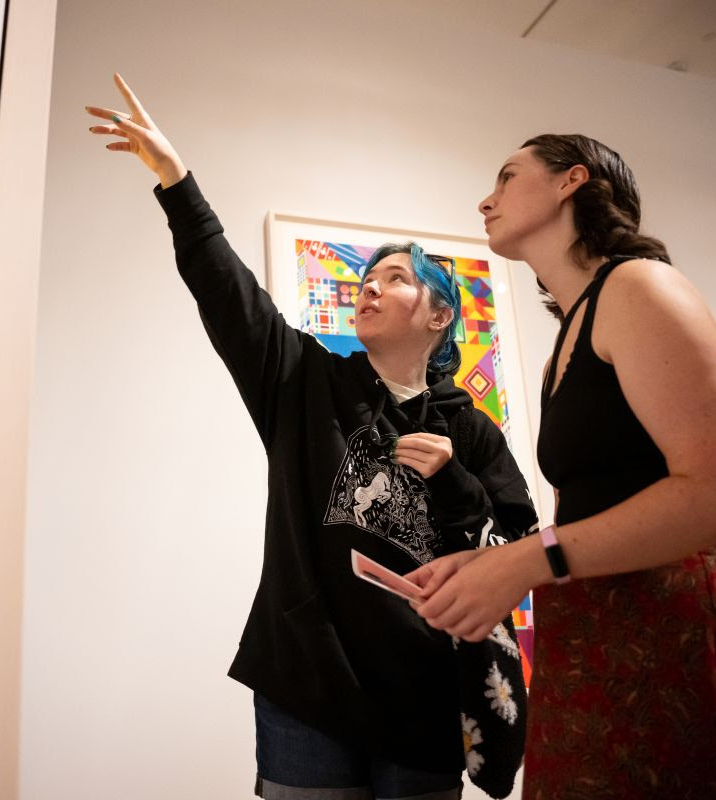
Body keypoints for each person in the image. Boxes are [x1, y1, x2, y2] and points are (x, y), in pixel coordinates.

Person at [87, 74, 539, 800]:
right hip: (306, 687)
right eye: (365, 276)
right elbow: (228, 294)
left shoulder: (473, 433)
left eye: (393, 279)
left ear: (438, 316)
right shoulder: (305, 381)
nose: (368, 286)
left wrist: (455, 484)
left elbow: (520, 550)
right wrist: (176, 183)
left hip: (426, 695)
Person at [406, 134, 716, 799]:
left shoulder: (639, 287)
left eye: (506, 177)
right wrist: (493, 562)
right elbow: (605, 504)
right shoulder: (577, 326)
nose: (485, 199)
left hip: (664, 637)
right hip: (596, 633)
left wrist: (527, 561)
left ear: (570, 181)